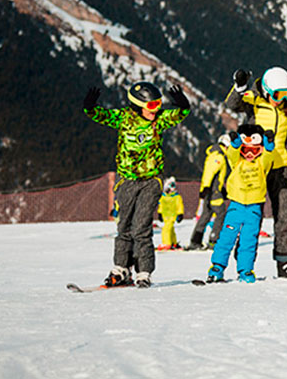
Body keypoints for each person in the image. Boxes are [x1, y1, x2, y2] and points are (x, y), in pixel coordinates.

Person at [83, 81, 190, 288]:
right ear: (136, 105)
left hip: (151, 181)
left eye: (158, 104)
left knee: (141, 226)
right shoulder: (124, 118)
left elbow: (179, 114)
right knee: (123, 226)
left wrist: (182, 104)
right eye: (151, 106)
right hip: (127, 180)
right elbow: (100, 115)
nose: (156, 109)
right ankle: (121, 268)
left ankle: (144, 270)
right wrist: (89, 106)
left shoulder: (158, 121)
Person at [224, 65, 287, 278]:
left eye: (286, 95)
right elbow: (233, 103)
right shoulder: (255, 100)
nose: (281, 99)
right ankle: (244, 259)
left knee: (285, 214)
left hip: (280, 165)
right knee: (252, 216)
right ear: (268, 91)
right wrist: (240, 86)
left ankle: (285, 261)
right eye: (278, 94)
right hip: (256, 166)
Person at [206, 125, 277, 283]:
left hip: (254, 208)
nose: (250, 154)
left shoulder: (261, 163)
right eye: (246, 150)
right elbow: (231, 153)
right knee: (226, 237)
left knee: (249, 241)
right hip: (236, 206)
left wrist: (269, 144)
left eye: (255, 150)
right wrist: (236, 145)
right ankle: (217, 267)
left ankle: (245, 270)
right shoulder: (236, 161)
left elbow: (268, 157)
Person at [187, 134, 231, 250]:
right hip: (213, 191)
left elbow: (216, 176)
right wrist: (206, 188)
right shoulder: (218, 156)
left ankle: (195, 240)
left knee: (206, 215)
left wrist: (222, 189)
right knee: (221, 213)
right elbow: (210, 173)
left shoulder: (216, 155)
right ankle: (214, 239)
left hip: (213, 190)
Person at [157, 177, 185, 250]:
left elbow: (179, 205)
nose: (174, 188)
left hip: (172, 216)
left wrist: (180, 214)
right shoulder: (163, 197)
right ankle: (173, 242)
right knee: (170, 229)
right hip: (165, 215)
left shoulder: (176, 197)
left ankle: (166, 243)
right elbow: (161, 205)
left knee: (166, 229)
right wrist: (159, 213)